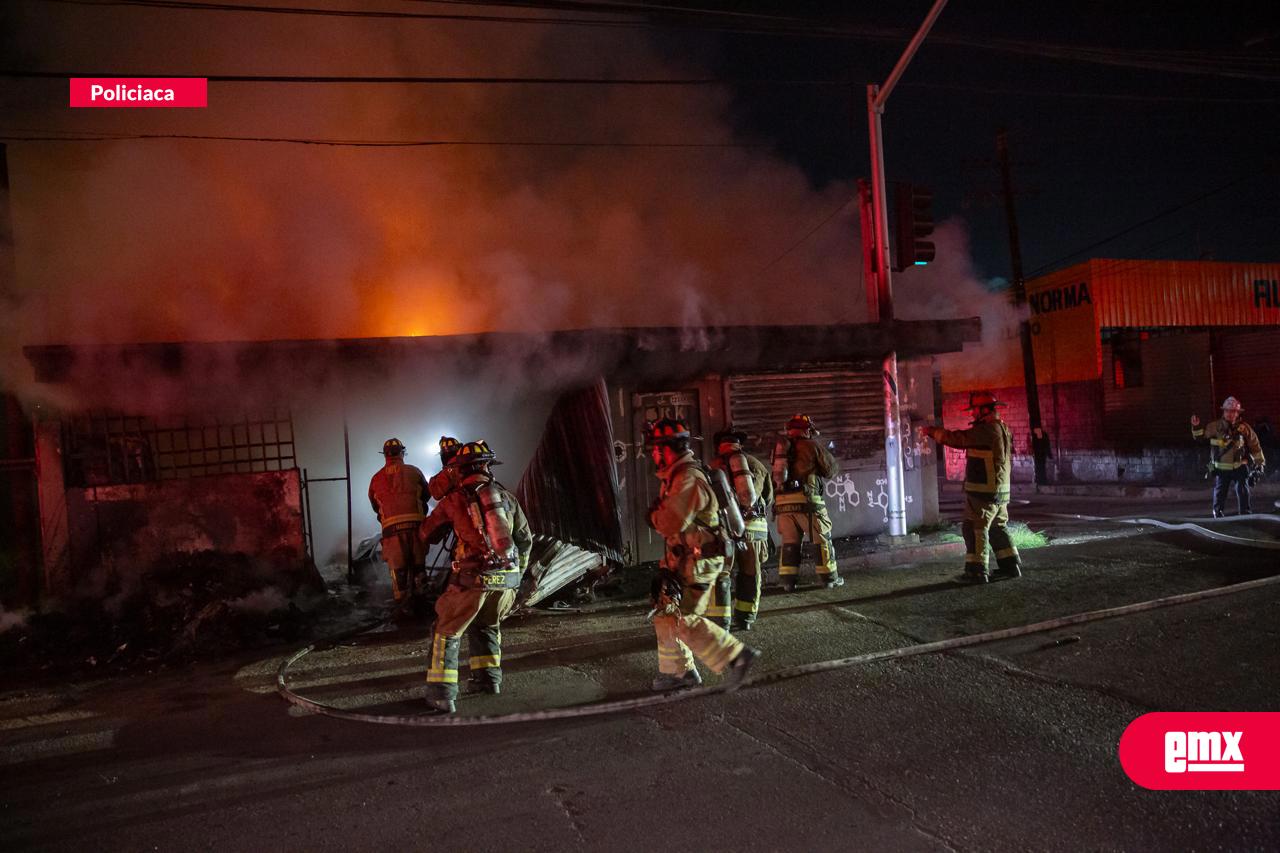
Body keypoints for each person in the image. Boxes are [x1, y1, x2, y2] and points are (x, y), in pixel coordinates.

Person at [417, 440, 533, 715]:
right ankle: (488, 680)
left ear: (460, 470)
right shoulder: (507, 498)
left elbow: (426, 533)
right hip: (507, 582)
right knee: (486, 626)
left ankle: (441, 694)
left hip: (473, 581)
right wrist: (517, 577)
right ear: (487, 467)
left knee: (445, 631)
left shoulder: (454, 500)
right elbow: (525, 541)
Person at [646, 418, 760, 692]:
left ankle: (737, 657)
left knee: (682, 618)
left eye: (655, 449)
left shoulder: (687, 478)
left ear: (666, 449)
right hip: (686, 559)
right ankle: (680, 672)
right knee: (667, 613)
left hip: (697, 561)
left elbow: (670, 522)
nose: (653, 455)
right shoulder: (678, 475)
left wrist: (652, 516)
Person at [920, 391, 1022, 584]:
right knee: (997, 528)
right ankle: (1010, 566)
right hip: (999, 491)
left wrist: (932, 432)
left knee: (974, 528)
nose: (973, 414)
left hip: (984, 491)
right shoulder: (1002, 428)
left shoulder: (987, 430)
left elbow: (958, 439)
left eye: (975, 410)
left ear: (985, 410)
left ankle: (976, 572)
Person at [709, 426, 773, 631]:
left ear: (719, 446)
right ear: (739, 445)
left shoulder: (712, 467)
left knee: (722, 574)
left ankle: (722, 621)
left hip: (724, 529)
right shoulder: (756, 464)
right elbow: (768, 497)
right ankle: (745, 618)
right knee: (750, 573)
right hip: (753, 528)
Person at [771, 414, 842, 591]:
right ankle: (829, 579)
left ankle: (787, 582)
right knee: (822, 538)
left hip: (782, 503)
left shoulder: (779, 450)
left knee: (789, 543)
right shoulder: (811, 445)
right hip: (807, 501)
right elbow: (831, 470)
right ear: (807, 429)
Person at [367, 438, 428, 605]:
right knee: (418, 566)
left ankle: (402, 605)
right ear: (402, 453)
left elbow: (375, 506)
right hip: (416, 528)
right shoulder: (414, 471)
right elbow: (426, 495)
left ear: (385, 455)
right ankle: (422, 600)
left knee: (398, 570)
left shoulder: (376, 478)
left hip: (391, 531)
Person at [1191, 397, 1266, 517]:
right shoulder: (1214, 426)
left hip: (1240, 466)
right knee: (1220, 492)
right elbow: (1200, 438)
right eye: (1227, 411)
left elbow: (1255, 446)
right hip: (1222, 468)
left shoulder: (1244, 428)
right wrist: (1196, 427)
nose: (1230, 414)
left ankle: (1245, 515)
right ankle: (1218, 514)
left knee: (1243, 490)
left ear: (1237, 413)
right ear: (1224, 411)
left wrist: (1260, 463)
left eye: (1233, 411)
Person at [428, 435, 462, 501]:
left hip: (458, 503)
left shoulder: (448, 472)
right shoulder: (471, 463)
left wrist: (433, 479)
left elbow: (436, 493)